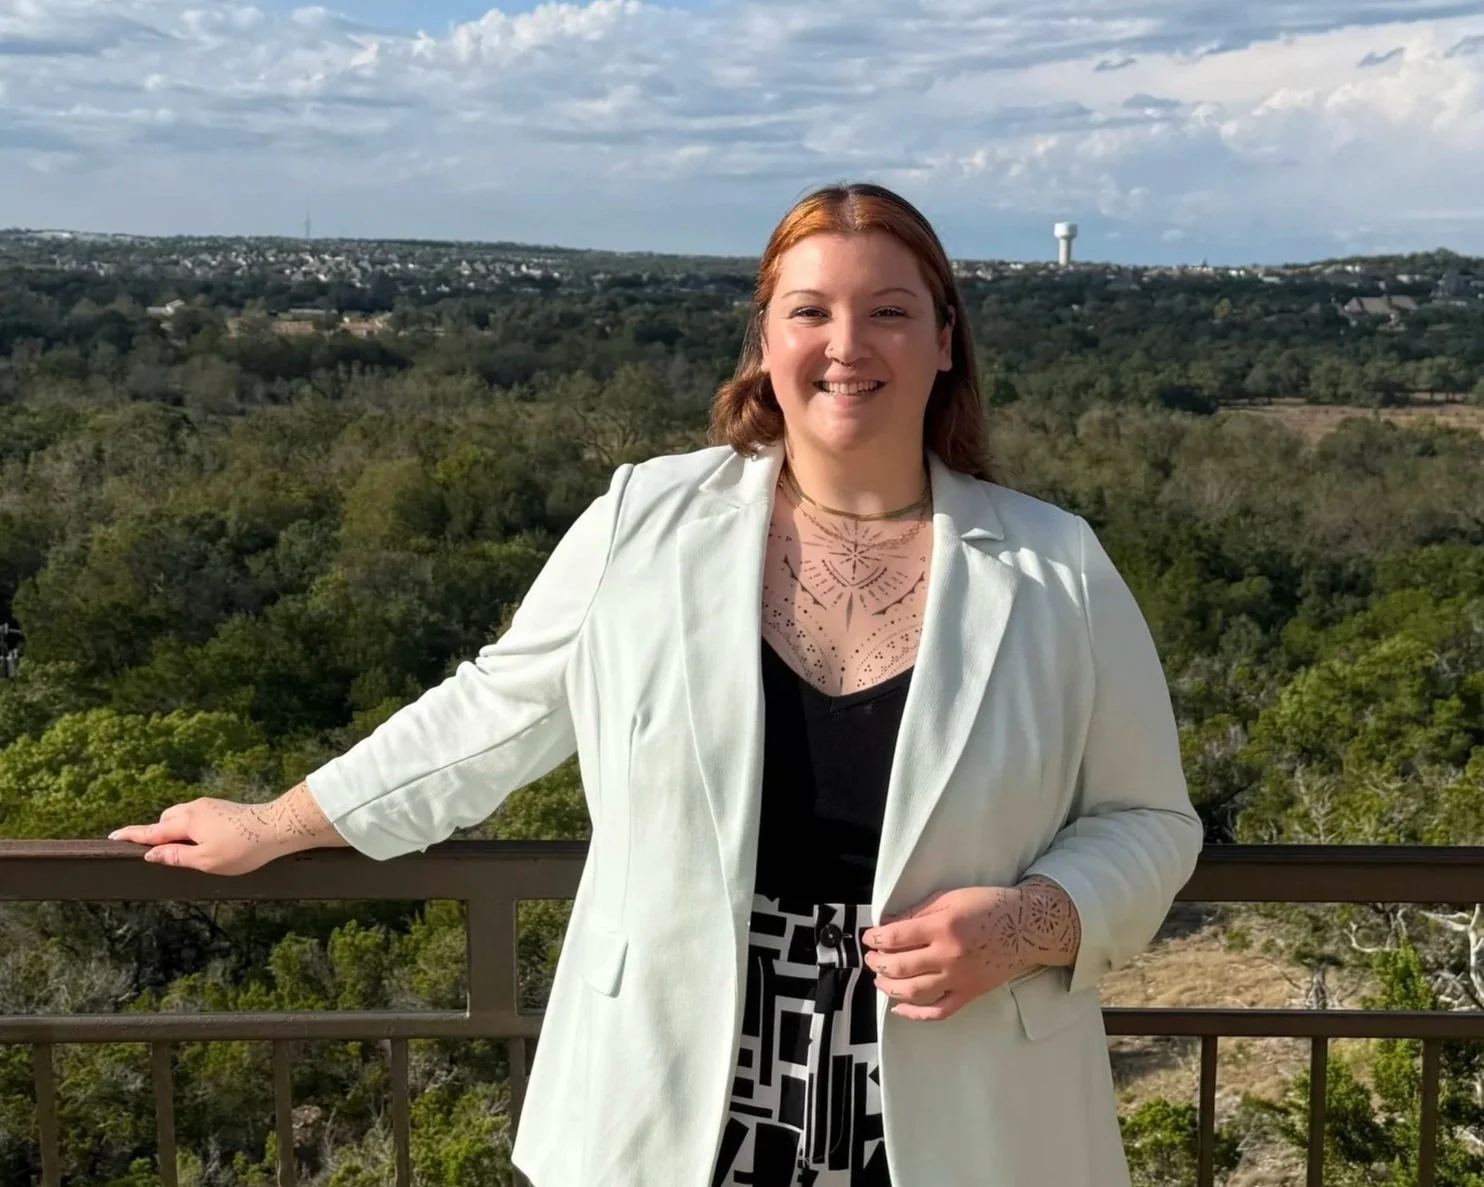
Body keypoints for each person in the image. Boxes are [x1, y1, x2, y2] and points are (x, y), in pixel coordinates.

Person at [109, 182, 1204, 1186]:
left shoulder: (1054, 564)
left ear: (941, 340)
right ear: (766, 337)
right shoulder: (647, 519)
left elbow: (1147, 817)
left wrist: (1031, 922)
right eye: (809, 310)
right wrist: (279, 820)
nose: (845, 345)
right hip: (672, 1086)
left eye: (887, 311)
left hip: (964, 1103)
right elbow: (496, 707)